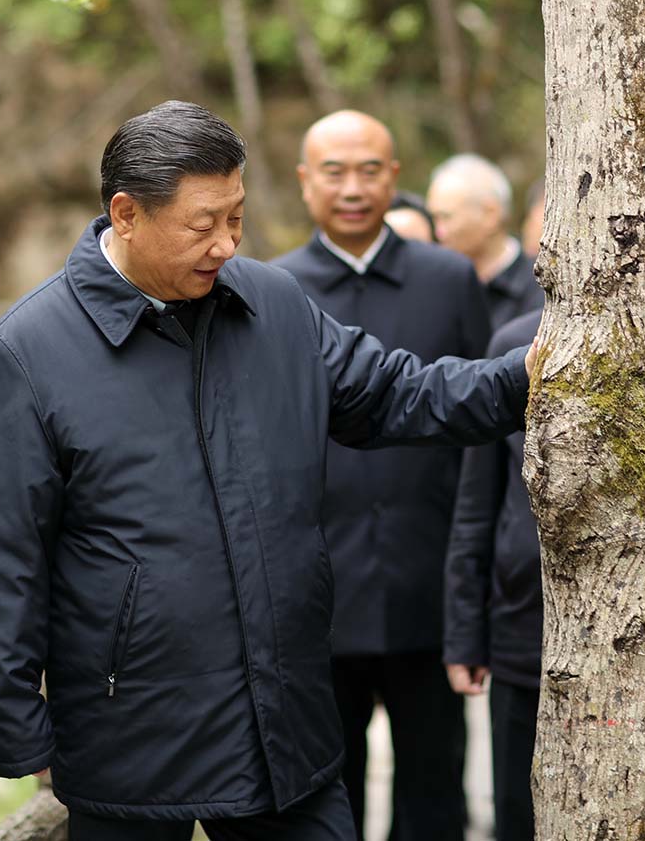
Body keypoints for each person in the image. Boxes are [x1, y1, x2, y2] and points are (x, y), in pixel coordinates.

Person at [0, 101, 536, 841]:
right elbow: (0, 562)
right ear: (126, 214)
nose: (228, 243)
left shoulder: (274, 302)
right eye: (204, 225)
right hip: (129, 739)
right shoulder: (27, 353)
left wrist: (527, 378)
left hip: (283, 721)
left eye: (237, 216)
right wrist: (18, 734)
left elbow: (400, 393)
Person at [275, 110, 488, 841]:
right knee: (322, 793)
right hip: (316, 598)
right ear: (306, 182)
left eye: (370, 169)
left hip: (428, 584)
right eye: (334, 171)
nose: (353, 187)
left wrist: (472, 582)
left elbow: (479, 434)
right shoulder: (274, 292)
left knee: (435, 788)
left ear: (396, 177)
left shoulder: (449, 278)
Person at [443, 309, 542, 841]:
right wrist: (464, 633)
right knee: (518, 809)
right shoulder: (515, 343)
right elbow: (478, 504)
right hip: (522, 633)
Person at [427, 154, 542, 329]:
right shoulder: (436, 286)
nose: (439, 232)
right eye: (434, 219)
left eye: (446, 218)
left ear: (491, 214)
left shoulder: (540, 285)